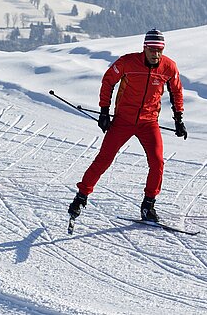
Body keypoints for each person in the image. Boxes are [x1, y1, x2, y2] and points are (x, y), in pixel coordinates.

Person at [68, 29, 186, 223]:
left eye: (159, 50)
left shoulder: (169, 67)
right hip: (123, 120)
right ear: (144, 48)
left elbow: (176, 91)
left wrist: (179, 119)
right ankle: (81, 197)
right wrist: (104, 111)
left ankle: (148, 205)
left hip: (149, 123)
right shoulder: (128, 62)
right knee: (104, 159)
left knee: (157, 163)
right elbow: (108, 81)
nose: (156, 54)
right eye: (152, 50)